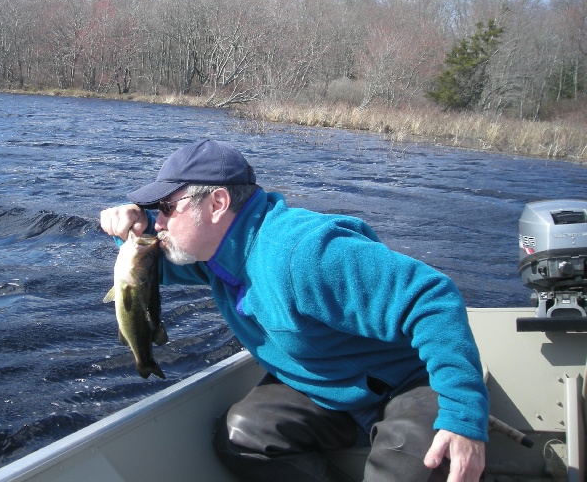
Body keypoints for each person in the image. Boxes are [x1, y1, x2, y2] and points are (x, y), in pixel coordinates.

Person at [100, 139, 488, 482]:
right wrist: (137, 227)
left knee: (432, 461)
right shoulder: (215, 254)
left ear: (217, 203)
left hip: (407, 383)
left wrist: (463, 418)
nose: (160, 221)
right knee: (241, 438)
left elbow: (432, 298)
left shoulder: (305, 254)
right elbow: (146, 271)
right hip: (332, 390)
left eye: (166, 207)